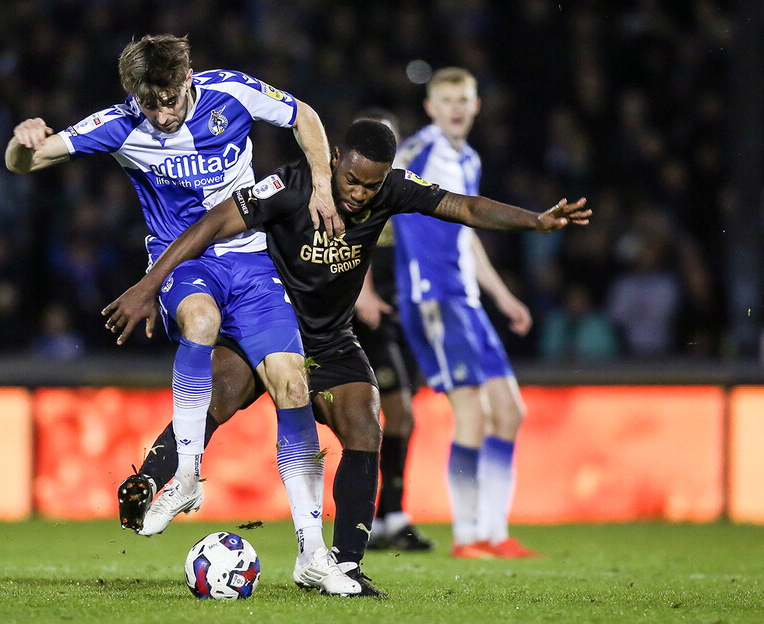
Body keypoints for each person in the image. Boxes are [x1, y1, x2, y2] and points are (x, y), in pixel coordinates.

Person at [104, 120, 590, 595]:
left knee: (365, 426)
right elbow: (213, 222)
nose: (359, 193)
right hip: (270, 325)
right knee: (216, 399)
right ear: (333, 159)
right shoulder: (291, 185)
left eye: (371, 185)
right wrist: (150, 284)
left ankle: (344, 565)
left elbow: (462, 206)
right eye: (351, 180)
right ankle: (147, 486)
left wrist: (535, 220)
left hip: (332, 340)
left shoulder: (392, 189)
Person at [5, 34, 357, 595]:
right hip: (181, 263)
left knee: (293, 386)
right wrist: (24, 142)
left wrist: (320, 184)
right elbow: (26, 161)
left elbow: (304, 116)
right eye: (151, 103)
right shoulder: (118, 125)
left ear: (189, 76)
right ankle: (188, 473)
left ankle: (312, 554)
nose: (163, 113)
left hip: (253, 264)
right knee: (199, 321)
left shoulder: (232, 92)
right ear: (133, 97)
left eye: (170, 97)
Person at [391, 67, 541, 559]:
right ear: (431, 108)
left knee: (511, 412)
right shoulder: (418, 151)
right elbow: (374, 195)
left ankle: (494, 533)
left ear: (476, 105)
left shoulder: (468, 159)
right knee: (472, 414)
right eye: (447, 99)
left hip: (468, 302)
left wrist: (502, 297)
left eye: (464, 99)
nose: (456, 107)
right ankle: (467, 535)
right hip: (433, 298)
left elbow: (467, 231)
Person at [347, 109, 433, 551]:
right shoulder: (356, 192)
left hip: (408, 315)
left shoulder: (403, 190)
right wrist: (364, 293)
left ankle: (386, 517)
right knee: (393, 410)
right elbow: (350, 244)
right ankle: (385, 515)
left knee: (402, 413)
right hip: (371, 315)